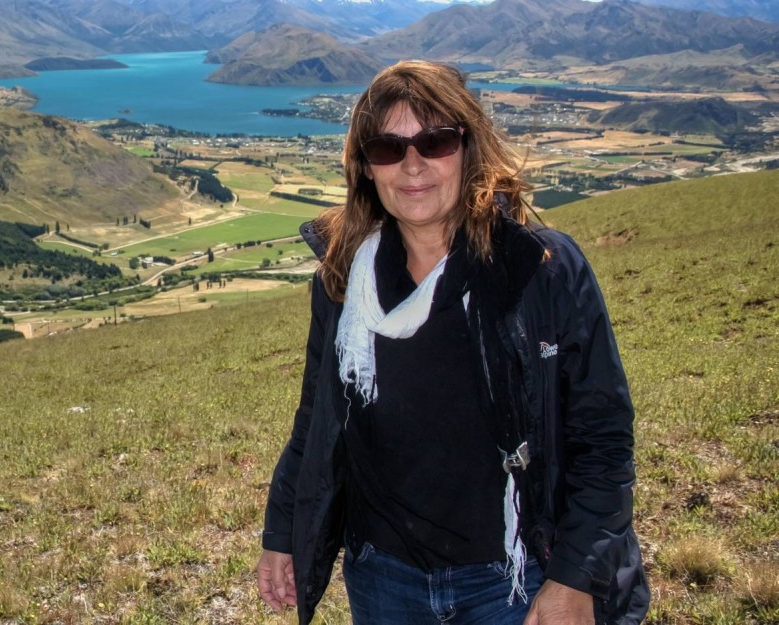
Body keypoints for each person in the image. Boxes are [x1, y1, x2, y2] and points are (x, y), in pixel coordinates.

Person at [256, 60, 649, 625]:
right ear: (365, 167)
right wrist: (282, 530)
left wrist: (573, 577)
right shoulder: (345, 282)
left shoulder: (538, 269)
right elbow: (316, 418)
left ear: (468, 149)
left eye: (435, 141)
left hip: (515, 577)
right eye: (388, 148)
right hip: (383, 575)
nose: (412, 165)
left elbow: (603, 436)